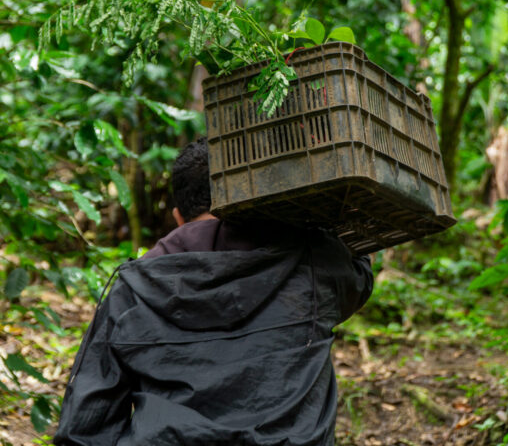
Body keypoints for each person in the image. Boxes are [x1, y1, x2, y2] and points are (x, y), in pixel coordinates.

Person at [53, 137, 374, 446]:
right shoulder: (316, 262)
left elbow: (85, 426)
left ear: (178, 217)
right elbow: (362, 264)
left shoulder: (131, 289)